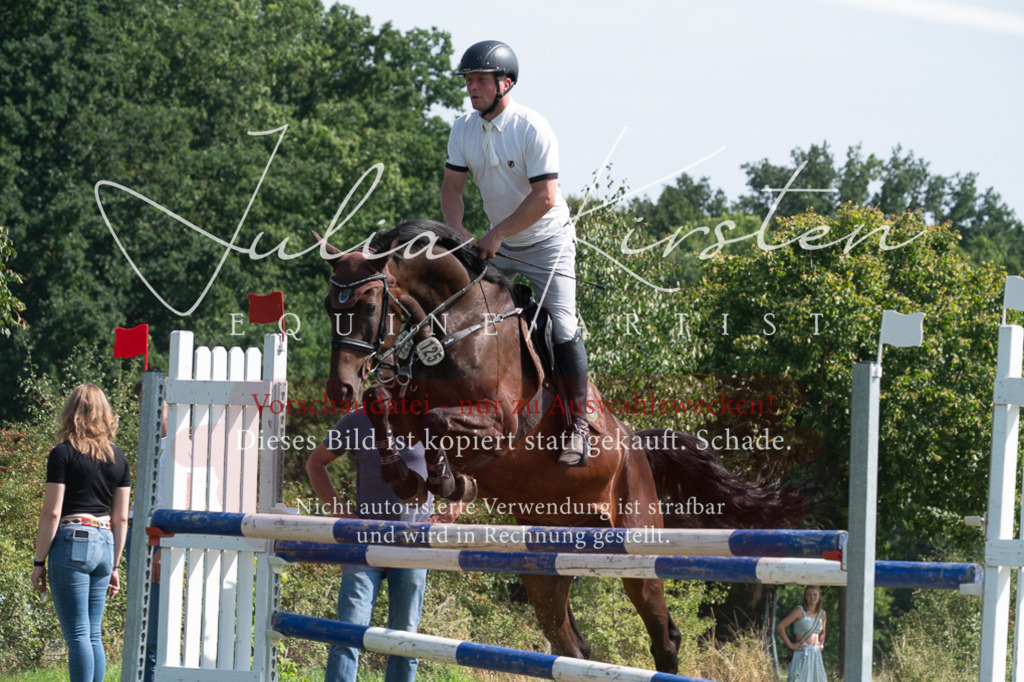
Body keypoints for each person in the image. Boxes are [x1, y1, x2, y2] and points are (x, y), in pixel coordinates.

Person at [441, 40, 590, 467]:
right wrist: (458, 234)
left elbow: (544, 198)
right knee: (458, 312)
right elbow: (452, 191)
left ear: (505, 83)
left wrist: (497, 234)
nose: (472, 88)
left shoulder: (533, 128)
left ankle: (578, 429)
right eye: (468, 81)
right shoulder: (463, 128)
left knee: (562, 326)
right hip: (496, 243)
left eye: (480, 80)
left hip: (547, 244)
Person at [306, 405, 459, 682]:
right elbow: (315, 462)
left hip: (415, 546)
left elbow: (468, 466)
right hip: (364, 543)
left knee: (405, 640)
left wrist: (455, 505)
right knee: (348, 633)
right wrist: (339, 511)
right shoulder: (357, 419)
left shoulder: (431, 419)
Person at [30, 384, 131, 682]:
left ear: (71, 412)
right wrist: (115, 565)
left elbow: (51, 512)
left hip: (74, 539)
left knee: (77, 635)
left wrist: (39, 562)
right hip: (105, 542)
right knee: (93, 633)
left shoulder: (62, 454)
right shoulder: (119, 458)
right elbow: (122, 517)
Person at [776, 585, 828, 682]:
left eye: (815, 594)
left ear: (819, 596)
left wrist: (821, 644)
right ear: (805, 597)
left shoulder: (822, 613)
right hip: (802, 651)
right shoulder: (799, 611)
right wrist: (790, 645)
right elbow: (780, 626)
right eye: (809, 595)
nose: (812, 597)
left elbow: (823, 631)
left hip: (816, 653)